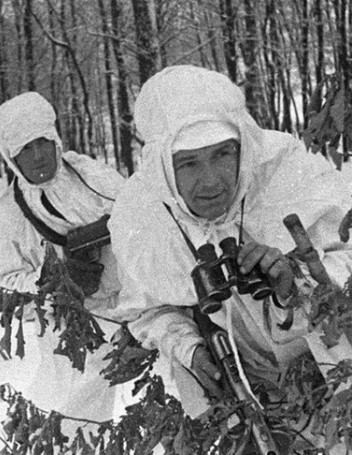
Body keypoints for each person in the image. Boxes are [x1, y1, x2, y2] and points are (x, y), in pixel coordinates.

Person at [109, 65, 352, 451]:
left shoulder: (288, 170)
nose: (211, 181)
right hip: (240, 390)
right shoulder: (141, 214)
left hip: (330, 369)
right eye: (188, 163)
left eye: (223, 154)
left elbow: (348, 259)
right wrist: (189, 348)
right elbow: (147, 308)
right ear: (163, 167)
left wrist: (298, 282)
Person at [0, 91, 125, 427]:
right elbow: (4, 281)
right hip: (64, 321)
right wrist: (54, 278)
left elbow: (141, 221)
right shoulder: (11, 213)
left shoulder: (92, 176)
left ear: (55, 141)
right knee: (68, 393)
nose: (38, 157)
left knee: (94, 395)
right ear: (11, 158)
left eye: (42, 143)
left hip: (125, 308)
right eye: (25, 150)